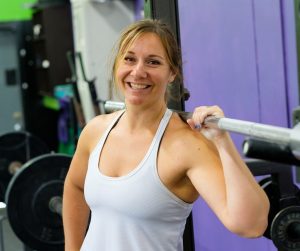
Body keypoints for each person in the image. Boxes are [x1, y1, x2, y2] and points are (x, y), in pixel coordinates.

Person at [62, 19, 270, 251]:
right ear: (117, 65)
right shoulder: (96, 130)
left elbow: (251, 225)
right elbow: (75, 186)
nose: (138, 71)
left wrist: (222, 142)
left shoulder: (187, 145)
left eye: (153, 62)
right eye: (129, 59)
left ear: (172, 73)